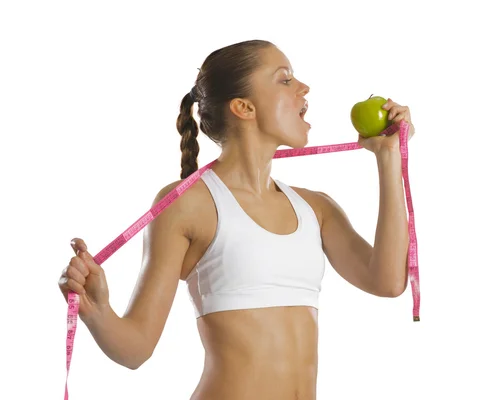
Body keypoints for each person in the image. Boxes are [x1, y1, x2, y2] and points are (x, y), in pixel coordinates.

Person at [58, 39, 415, 400]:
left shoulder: (316, 208)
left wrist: (388, 159)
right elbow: (135, 349)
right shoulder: (188, 204)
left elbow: (387, 281)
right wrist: (97, 310)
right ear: (244, 107)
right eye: (285, 79)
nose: (304, 88)